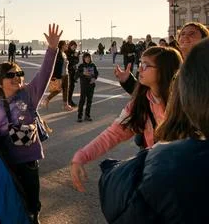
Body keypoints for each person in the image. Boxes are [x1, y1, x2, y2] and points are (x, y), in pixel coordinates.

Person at [99, 38, 209, 223]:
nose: (140, 68)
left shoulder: (167, 159)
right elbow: (152, 95)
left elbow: (118, 195)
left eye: (145, 65)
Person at [0, 23, 62, 223]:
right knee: (9, 206)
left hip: (28, 163)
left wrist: (52, 49)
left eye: (19, 74)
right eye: (10, 75)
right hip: (6, 164)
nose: (16, 78)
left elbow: (44, 74)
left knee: (31, 206)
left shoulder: (28, 95)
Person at [71, 46, 182, 192]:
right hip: (157, 174)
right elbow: (114, 133)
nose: (139, 69)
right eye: (140, 63)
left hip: (184, 178)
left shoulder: (185, 103)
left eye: (145, 65)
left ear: (164, 70)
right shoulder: (141, 102)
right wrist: (81, 156)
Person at [114, 22, 208, 95]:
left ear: (204, 40)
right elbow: (155, 95)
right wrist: (127, 81)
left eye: (192, 34)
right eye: (182, 34)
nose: (185, 36)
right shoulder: (174, 64)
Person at [40, 40, 73, 111]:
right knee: (58, 90)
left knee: (66, 90)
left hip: (66, 74)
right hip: (60, 75)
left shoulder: (64, 53)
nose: (67, 45)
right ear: (62, 45)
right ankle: (46, 100)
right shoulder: (57, 54)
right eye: (65, 44)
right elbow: (54, 65)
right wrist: (54, 75)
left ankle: (65, 105)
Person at [76, 52, 98, 122]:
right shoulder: (81, 66)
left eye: (89, 58)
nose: (87, 59)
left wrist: (94, 78)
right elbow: (76, 75)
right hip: (84, 86)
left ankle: (87, 115)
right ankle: (79, 116)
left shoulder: (93, 65)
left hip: (91, 85)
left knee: (89, 101)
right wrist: (83, 73)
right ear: (84, 58)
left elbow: (96, 73)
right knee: (82, 100)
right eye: (86, 58)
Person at [66, 40, 79, 107]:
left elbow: (77, 61)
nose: (74, 48)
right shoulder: (66, 52)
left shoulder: (75, 52)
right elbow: (68, 61)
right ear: (70, 46)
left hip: (73, 71)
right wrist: (74, 57)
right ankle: (68, 101)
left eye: (75, 47)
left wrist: (76, 56)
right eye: (73, 46)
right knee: (69, 86)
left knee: (72, 86)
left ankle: (69, 100)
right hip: (67, 71)